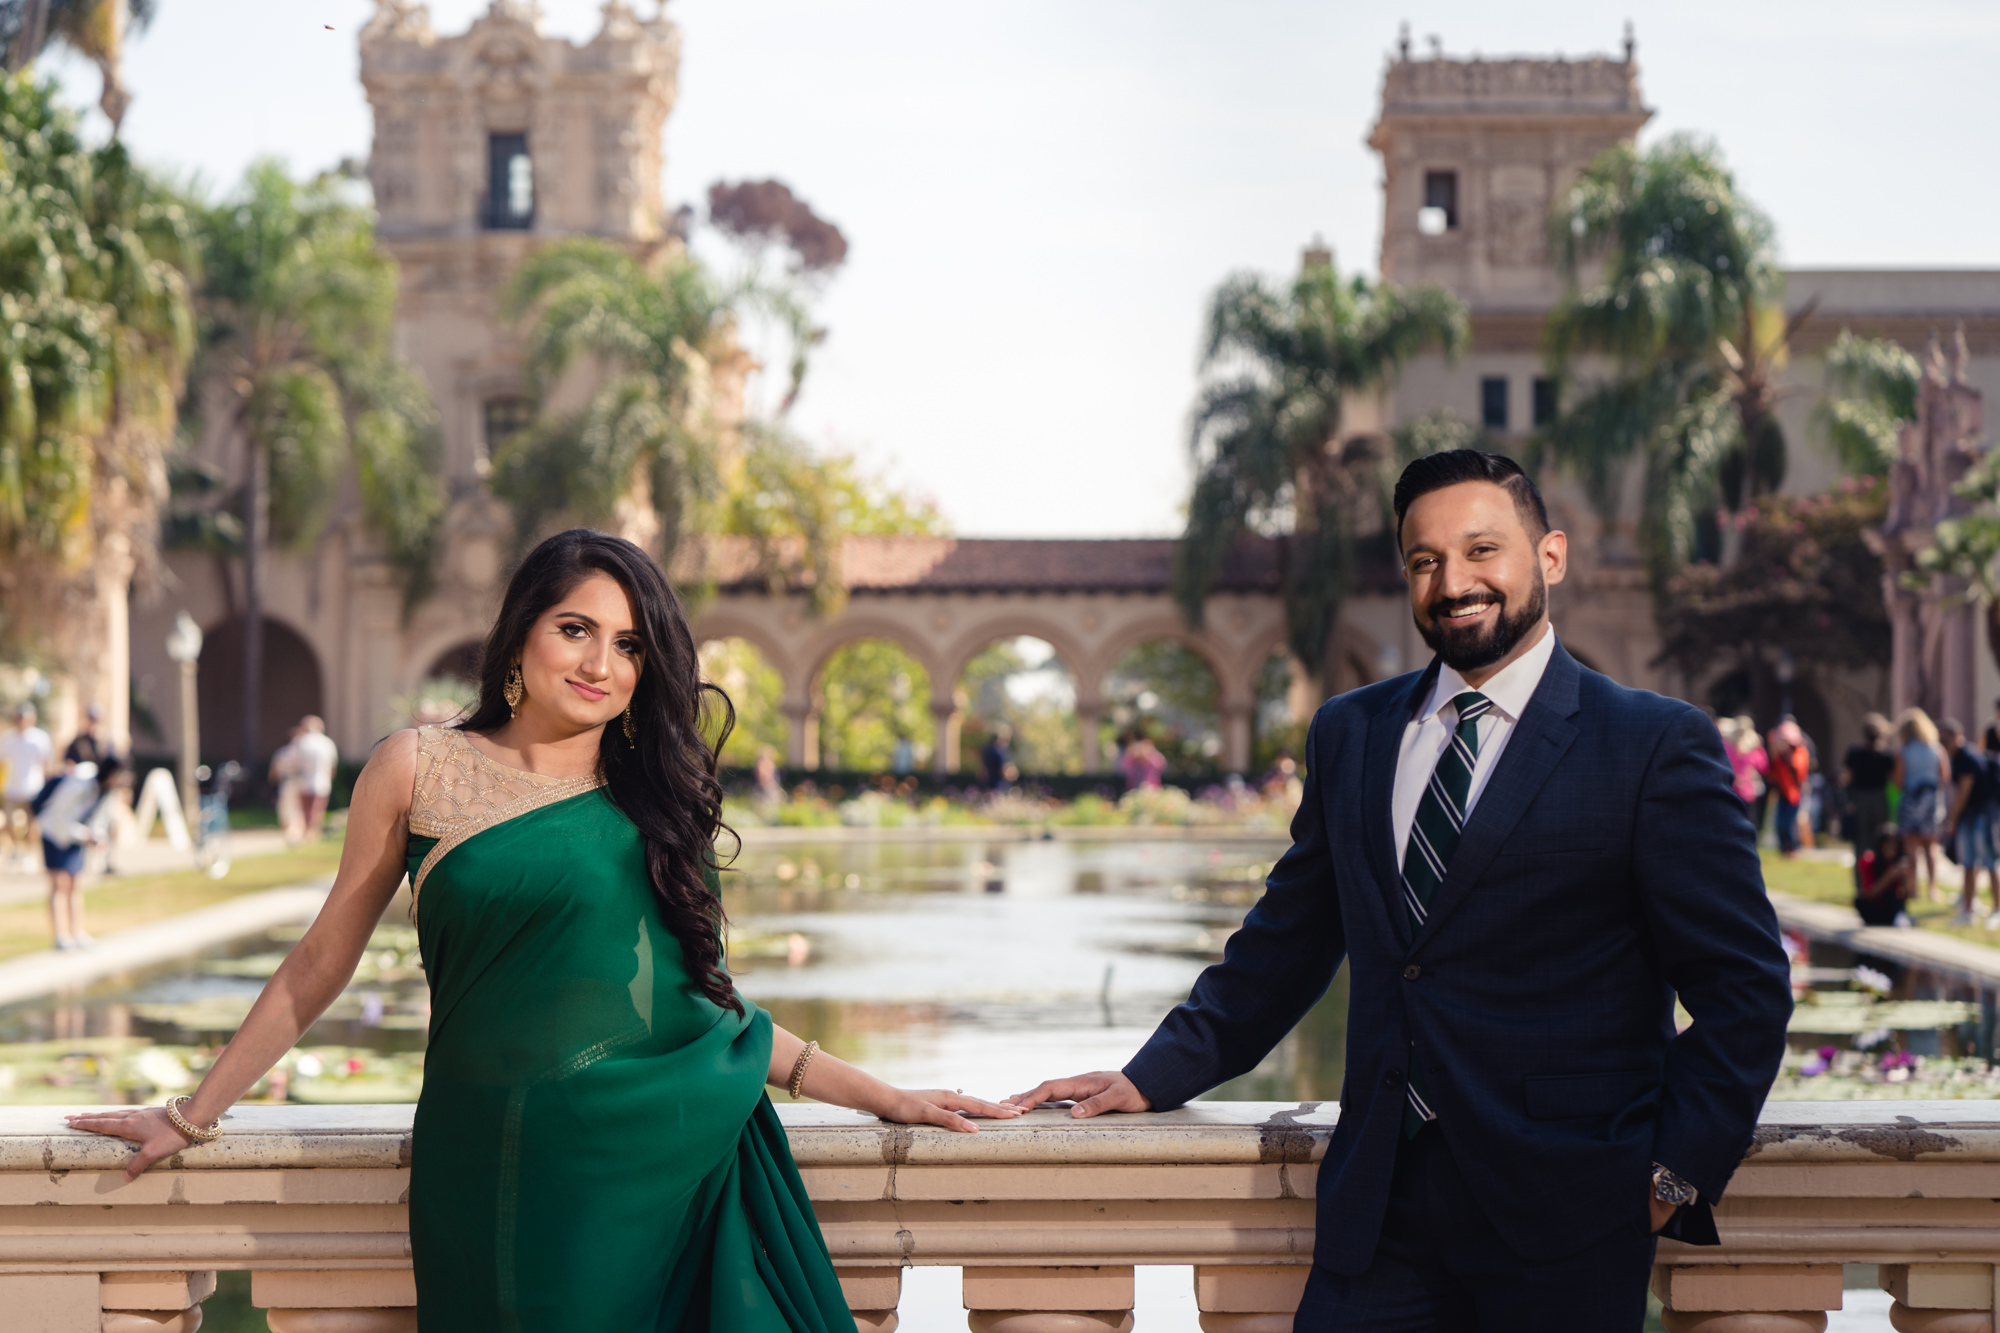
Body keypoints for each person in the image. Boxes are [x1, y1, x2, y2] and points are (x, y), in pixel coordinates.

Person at [66, 528, 1018, 1329]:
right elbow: (322, 961)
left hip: (640, 1166)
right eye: (577, 630)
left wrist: (881, 1094)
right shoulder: (417, 767)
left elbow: (712, 1015)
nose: (602, 663)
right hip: (483, 1162)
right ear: (520, 634)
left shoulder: (654, 805)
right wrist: (194, 1112)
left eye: (631, 644)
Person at [1007, 450, 1791, 1332]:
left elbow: (1745, 992)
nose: (1454, 582)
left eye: (1483, 550)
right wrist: (1151, 1075)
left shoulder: (1652, 744)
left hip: (1568, 1223)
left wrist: (1669, 1176)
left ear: (1551, 557)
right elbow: (1288, 940)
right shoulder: (1353, 732)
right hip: (1376, 1219)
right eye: (1425, 561)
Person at [38, 755, 127, 950]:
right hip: (54, 833)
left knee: (75, 884)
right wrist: (85, 836)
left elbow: (98, 819)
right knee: (58, 884)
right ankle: (61, 936)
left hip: (76, 837)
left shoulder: (105, 791)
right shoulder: (79, 784)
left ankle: (77, 932)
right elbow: (60, 816)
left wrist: (95, 837)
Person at [1941, 719, 2000, 926]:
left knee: (1990, 863)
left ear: (1957, 736)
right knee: (1968, 863)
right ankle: (1968, 910)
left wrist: (1952, 818)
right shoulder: (1959, 756)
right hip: (1970, 815)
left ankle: (1997, 909)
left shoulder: (1967, 756)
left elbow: (1964, 790)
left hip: (1981, 814)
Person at [1893, 708, 1947, 901]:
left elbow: (1899, 780)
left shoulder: (1904, 750)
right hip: (1931, 796)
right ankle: (1933, 888)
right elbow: (1944, 776)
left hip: (1911, 797)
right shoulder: (1935, 748)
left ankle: (1913, 888)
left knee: (1911, 847)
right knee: (1930, 846)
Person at [0, 703, 53, 871]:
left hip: (33, 788)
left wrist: (48, 789)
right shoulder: (8, 738)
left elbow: (46, 765)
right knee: (8, 822)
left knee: (32, 825)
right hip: (12, 788)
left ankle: (28, 855)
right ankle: (16, 850)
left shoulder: (40, 738)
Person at [1841, 714, 1894, 848]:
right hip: (1879, 797)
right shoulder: (1887, 755)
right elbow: (1893, 778)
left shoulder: (1854, 752)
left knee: (1862, 837)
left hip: (1860, 797)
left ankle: (1862, 867)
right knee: (1879, 836)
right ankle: (1876, 866)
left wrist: (1847, 796)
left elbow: (1846, 778)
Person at [1855, 823, 1915, 928]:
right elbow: (1869, 893)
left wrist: (1908, 877)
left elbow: (1908, 894)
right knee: (1860, 901)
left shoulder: (1901, 864)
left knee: (1894, 894)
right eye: (1888, 844)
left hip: (1893, 908)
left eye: (1894, 845)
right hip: (1876, 907)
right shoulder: (1869, 861)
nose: (1891, 848)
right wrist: (1889, 876)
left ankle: (1900, 918)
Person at [1767, 720, 1812, 857]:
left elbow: (1799, 771)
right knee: (1779, 823)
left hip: (1794, 793)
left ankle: (1792, 848)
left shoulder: (1799, 752)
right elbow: (1772, 774)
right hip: (1782, 793)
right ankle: (1783, 849)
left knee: (1789, 823)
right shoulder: (1778, 757)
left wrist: (1786, 756)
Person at [291, 716, 340, 840]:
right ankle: (313, 832)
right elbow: (332, 765)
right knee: (317, 809)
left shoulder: (302, 742)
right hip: (322, 782)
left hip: (304, 781)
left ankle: (308, 832)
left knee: (307, 810)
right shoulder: (327, 743)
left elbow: (295, 763)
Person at [268, 726, 307, 845]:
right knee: (294, 809)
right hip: (296, 783)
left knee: (291, 809)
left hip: (292, 783)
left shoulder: (284, 752)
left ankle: (293, 834)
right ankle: (294, 834)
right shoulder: (301, 752)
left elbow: (274, 772)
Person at [63, 702, 111, 770]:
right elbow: (68, 762)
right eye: (91, 720)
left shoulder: (105, 743)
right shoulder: (78, 742)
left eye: (96, 721)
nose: (93, 724)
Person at [980, 723, 1013, 790]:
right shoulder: (1000, 750)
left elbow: (983, 770)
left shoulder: (987, 749)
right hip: (1000, 783)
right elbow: (1003, 769)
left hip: (989, 782)